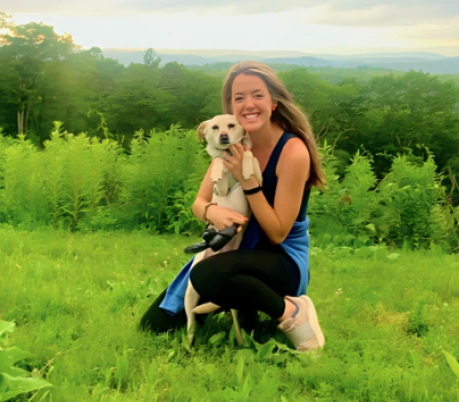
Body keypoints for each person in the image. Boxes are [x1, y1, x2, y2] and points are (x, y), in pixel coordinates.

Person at [140, 61, 327, 352]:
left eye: (257, 95)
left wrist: (248, 181)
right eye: (238, 98)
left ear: (274, 102)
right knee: (155, 324)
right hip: (238, 249)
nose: (248, 104)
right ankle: (238, 302)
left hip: (282, 257)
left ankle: (291, 310)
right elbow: (199, 202)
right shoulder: (231, 142)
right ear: (230, 107)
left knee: (206, 275)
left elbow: (278, 232)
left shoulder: (292, 151)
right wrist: (211, 212)